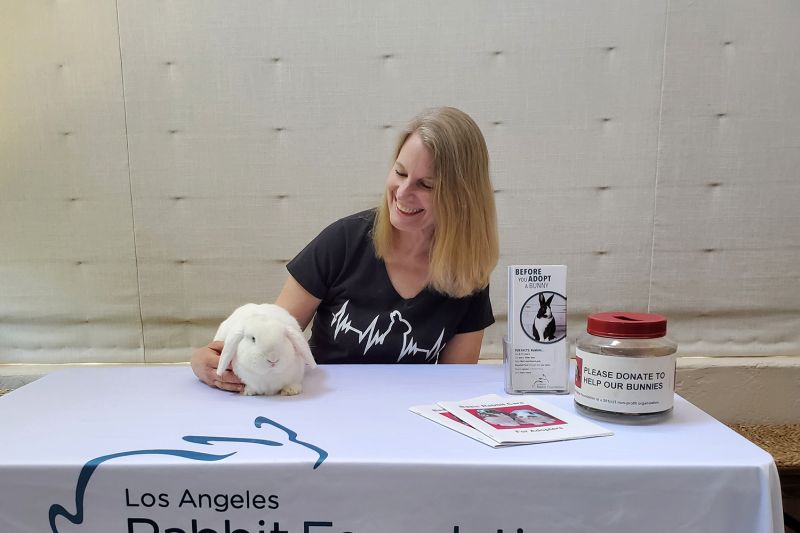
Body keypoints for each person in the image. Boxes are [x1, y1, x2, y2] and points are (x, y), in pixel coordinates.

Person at [192, 107, 499, 391]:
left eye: (427, 184)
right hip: (323, 415)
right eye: (400, 173)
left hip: (409, 423)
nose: (403, 193)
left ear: (463, 194)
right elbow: (270, 340)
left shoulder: (468, 272)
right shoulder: (343, 241)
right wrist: (202, 361)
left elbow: (455, 384)